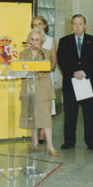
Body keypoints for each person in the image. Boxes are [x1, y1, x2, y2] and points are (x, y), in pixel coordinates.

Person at [57, 14, 93, 150]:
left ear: (85, 25)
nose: (77, 26)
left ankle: (90, 141)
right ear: (71, 25)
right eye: (75, 23)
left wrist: (83, 72)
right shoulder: (64, 41)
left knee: (89, 114)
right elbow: (61, 60)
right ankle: (69, 141)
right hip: (70, 83)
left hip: (87, 82)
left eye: (80, 23)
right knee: (70, 114)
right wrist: (73, 73)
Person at [19, 27, 58, 156]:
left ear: (41, 41)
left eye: (37, 40)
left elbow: (47, 68)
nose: (34, 42)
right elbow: (21, 70)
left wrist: (38, 73)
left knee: (45, 117)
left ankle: (50, 145)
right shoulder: (23, 54)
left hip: (43, 89)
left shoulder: (46, 53)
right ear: (28, 40)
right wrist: (34, 73)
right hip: (28, 88)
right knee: (32, 117)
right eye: (32, 39)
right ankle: (34, 143)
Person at [31, 15, 57, 143]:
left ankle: (42, 133)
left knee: (46, 106)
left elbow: (54, 60)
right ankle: (35, 132)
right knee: (35, 105)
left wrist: (46, 71)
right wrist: (35, 74)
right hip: (33, 77)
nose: (37, 26)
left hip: (46, 76)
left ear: (45, 26)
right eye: (34, 25)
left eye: (39, 24)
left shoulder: (51, 40)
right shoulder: (30, 40)